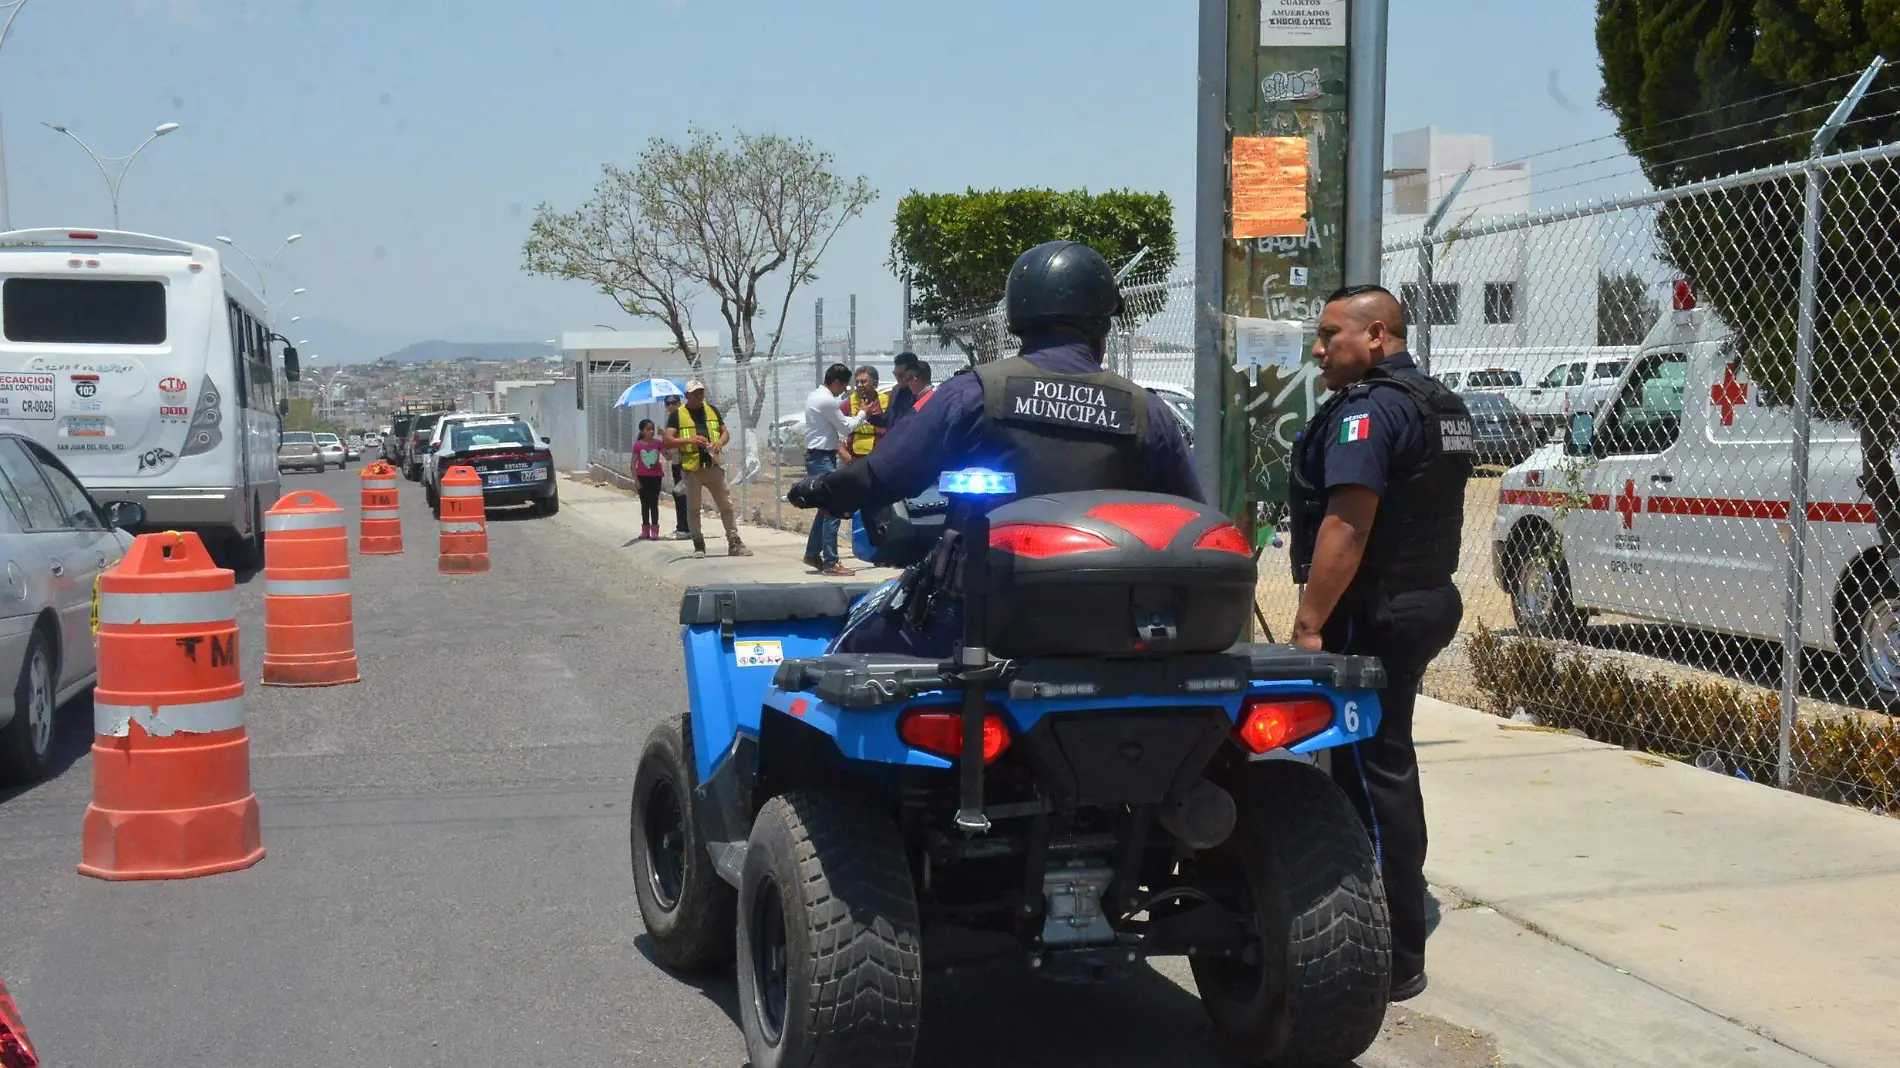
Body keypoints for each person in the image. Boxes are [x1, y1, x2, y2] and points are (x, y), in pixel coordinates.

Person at [788, 240, 1201, 656]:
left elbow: (885, 474)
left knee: (848, 653)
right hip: (1117, 631)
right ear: (1102, 326)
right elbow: (1191, 518)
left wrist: (820, 489)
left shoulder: (978, 393)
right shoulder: (1148, 412)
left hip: (983, 627)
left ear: (1018, 318)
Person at [1286, 283, 1473, 1005]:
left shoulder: (1370, 411)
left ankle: (1390, 955)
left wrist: (1309, 625)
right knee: (1385, 760)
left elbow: (1349, 525)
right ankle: (1386, 919)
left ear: (1375, 335)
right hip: (1427, 596)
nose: (1318, 349)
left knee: (1368, 772)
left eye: (1330, 334)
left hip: (1377, 608)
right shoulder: (1439, 404)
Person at [664, 379, 753, 559]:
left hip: (713, 465)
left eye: (702, 391)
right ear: (687, 396)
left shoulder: (712, 410)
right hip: (692, 469)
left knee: (726, 505)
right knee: (694, 509)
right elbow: (668, 439)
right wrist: (691, 440)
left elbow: (725, 432)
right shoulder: (677, 415)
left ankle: (734, 542)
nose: (700, 394)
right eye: (696, 392)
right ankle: (698, 544)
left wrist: (720, 442)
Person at [801, 362, 867, 576]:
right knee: (833, 509)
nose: (844, 390)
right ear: (837, 382)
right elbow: (846, 427)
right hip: (822, 458)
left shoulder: (816, 396)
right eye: (844, 386)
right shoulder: (827, 401)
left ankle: (812, 553)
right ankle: (831, 562)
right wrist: (863, 414)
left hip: (817, 456)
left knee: (824, 509)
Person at [863, 352, 924, 433]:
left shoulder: (920, 392)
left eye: (900, 375)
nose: (897, 379)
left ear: (912, 374)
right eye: (895, 374)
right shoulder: (896, 390)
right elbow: (887, 420)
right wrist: (869, 415)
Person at [660, 396, 694, 540]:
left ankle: (685, 528)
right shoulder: (669, 423)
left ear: (679, 404)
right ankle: (683, 527)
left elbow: (685, 441)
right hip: (675, 463)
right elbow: (667, 454)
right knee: (680, 496)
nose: (670, 406)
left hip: (685, 463)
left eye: (673, 402)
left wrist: (669, 438)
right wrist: (663, 441)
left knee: (682, 495)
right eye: (667, 403)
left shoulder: (683, 420)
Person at [841, 366, 891, 461]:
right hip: (854, 459)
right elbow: (833, 431)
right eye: (857, 382)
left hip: (881, 459)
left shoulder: (887, 402)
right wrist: (844, 455)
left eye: (863, 382)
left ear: (875, 383)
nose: (859, 385)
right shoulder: (848, 404)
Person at [633, 418, 666, 541]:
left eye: (652, 429)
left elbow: (667, 456)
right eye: (648, 429)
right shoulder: (638, 445)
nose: (651, 431)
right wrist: (636, 479)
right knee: (644, 504)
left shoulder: (658, 443)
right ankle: (645, 530)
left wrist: (663, 437)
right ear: (642, 431)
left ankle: (655, 531)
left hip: (656, 477)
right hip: (642, 477)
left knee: (654, 503)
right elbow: (633, 463)